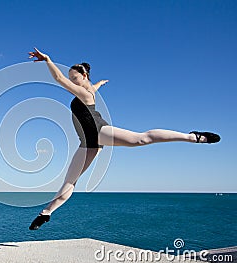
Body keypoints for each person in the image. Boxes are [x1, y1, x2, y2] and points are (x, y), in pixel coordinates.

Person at [27, 47, 220, 230]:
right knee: (69, 182)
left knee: (141, 139)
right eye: (71, 78)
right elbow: (94, 87)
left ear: (83, 76)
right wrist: (100, 83)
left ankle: (193, 137)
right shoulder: (90, 90)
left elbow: (59, 78)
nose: (71, 81)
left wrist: (47, 60)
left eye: (74, 78)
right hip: (87, 143)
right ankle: (46, 213)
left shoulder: (84, 93)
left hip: (99, 130)